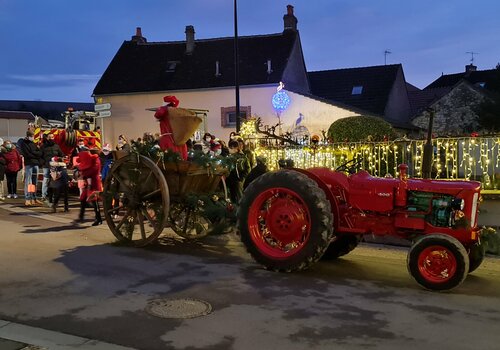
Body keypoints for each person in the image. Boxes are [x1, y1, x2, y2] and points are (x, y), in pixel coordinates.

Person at [76, 150, 102, 226]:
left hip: (94, 183)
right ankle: (81, 216)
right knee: (83, 198)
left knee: (94, 201)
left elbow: (93, 170)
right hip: (88, 182)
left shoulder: (96, 161)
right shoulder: (93, 160)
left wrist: (83, 173)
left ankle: (98, 218)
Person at [18, 130, 43, 206]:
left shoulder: (33, 143)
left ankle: (33, 198)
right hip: (29, 164)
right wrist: (36, 154)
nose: (33, 137)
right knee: (28, 182)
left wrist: (35, 153)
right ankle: (28, 199)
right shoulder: (24, 144)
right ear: (28, 136)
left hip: (35, 164)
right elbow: (27, 154)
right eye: (32, 136)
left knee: (34, 182)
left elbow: (40, 152)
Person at [41, 133, 64, 202]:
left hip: (55, 166)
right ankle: (44, 195)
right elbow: (40, 156)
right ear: (47, 138)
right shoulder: (43, 146)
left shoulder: (56, 146)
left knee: (55, 181)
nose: (51, 138)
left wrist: (61, 158)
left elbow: (61, 154)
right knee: (46, 180)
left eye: (52, 137)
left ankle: (54, 196)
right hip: (46, 166)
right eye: (50, 137)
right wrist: (43, 162)